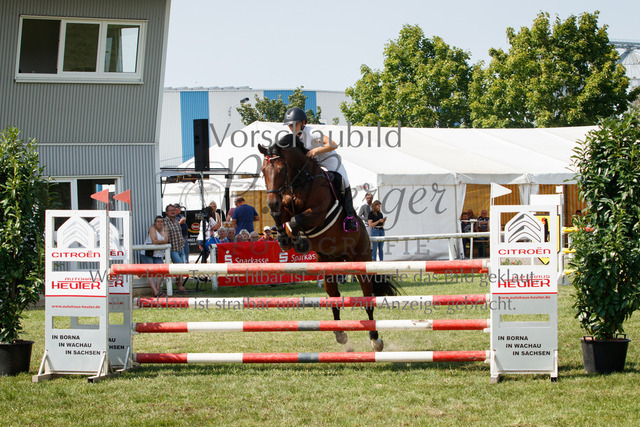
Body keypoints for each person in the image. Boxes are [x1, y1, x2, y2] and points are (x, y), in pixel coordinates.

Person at [283, 107, 358, 232]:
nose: (292, 128)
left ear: (303, 123)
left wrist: (316, 150)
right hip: (313, 163)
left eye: (295, 124)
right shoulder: (293, 139)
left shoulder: (313, 133)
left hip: (329, 159)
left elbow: (333, 144)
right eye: (290, 125)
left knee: (344, 181)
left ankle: (350, 217)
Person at [139, 216, 168, 297]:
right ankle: (155, 292)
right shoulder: (152, 228)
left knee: (162, 271)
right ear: (155, 223)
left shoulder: (165, 228)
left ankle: (158, 289)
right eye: (158, 221)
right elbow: (154, 241)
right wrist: (162, 242)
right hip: (147, 254)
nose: (160, 223)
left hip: (158, 254)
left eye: (161, 221)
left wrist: (158, 241)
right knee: (151, 272)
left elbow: (166, 240)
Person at [164, 204, 188, 293]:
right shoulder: (165, 222)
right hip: (172, 249)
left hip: (180, 246)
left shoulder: (177, 220)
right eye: (170, 210)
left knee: (183, 267)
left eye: (174, 210)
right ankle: (180, 285)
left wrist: (183, 241)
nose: (172, 212)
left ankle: (179, 283)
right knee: (180, 265)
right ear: (166, 212)